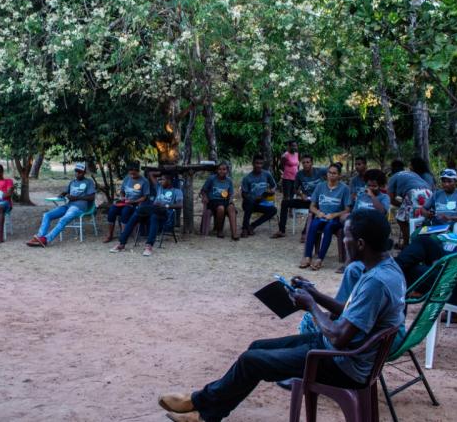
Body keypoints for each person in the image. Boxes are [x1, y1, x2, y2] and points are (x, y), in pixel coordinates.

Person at [158, 210, 406, 422]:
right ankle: (203, 410)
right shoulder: (386, 269)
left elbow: (340, 337)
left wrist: (311, 306)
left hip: (342, 362)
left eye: (347, 237)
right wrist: (315, 294)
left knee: (251, 361)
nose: (343, 242)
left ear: (361, 244)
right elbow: (354, 314)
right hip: (341, 351)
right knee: (255, 348)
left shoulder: (376, 282)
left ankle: (199, 407)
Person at [111, 171, 183, 256]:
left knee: (152, 215)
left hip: (164, 214)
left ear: (169, 180)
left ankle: (148, 246)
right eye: (160, 180)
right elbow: (151, 174)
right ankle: (121, 244)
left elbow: (180, 205)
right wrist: (163, 171)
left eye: (163, 179)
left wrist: (165, 205)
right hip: (152, 211)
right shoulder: (159, 187)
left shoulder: (177, 191)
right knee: (136, 215)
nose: (160, 181)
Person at [26, 163, 95, 247]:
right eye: (76, 171)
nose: (77, 173)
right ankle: (40, 237)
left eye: (80, 172)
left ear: (84, 173)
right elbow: (67, 192)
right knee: (47, 215)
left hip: (79, 207)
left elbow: (92, 197)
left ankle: (46, 240)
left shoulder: (88, 182)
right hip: (68, 205)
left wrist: (76, 198)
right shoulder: (72, 182)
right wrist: (63, 194)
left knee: (63, 219)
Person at [300, 164, 351, 270]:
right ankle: (308, 256)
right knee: (313, 225)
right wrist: (318, 212)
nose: (331, 175)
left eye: (334, 173)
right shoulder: (320, 186)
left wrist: (334, 215)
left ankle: (320, 259)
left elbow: (347, 210)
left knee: (329, 227)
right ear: (326, 174)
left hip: (335, 219)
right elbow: (312, 206)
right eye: (329, 172)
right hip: (321, 216)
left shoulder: (344, 189)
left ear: (339, 175)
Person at [272, 155, 324, 240]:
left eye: (308, 162)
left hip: (318, 202)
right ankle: (281, 230)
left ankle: (305, 232)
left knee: (314, 208)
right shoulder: (299, 174)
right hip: (306, 200)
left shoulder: (320, 171)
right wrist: (301, 194)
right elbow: (295, 189)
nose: (305, 164)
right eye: (303, 162)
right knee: (285, 202)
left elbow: (333, 170)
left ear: (312, 163)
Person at [387, 161, 433, 248]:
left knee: (401, 218)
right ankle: (422, 242)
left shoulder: (393, 177)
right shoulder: (411, 174)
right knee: (421, 219)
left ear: (392, 170)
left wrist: (400, 205)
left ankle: (406, 243)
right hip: (428, 192)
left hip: (414, 193)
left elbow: (390, 198)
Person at [103, 163, 150, 243]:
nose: (132, 175)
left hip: (135, 204)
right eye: (130, 173)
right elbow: (122, 191)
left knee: (125, 211)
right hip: (125, 202)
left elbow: (145, 197)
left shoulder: (144, 181)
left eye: (134, 173)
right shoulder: (127, 178)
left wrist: (133, 201)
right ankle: (110, 235)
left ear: (138, 171)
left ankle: (123, 235)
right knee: (112, 210)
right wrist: (122, 197)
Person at [239, 155, 277, 238]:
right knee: (249, 203)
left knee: (273, 210)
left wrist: (271, 191)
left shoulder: (266, 174)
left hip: (261, 203)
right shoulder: (247, 178)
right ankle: (245, 228)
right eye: (257, 163)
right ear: (253, 164)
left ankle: (252, 226)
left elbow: (274, 186)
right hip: (249, 203)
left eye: (261, 163)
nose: (259, 165)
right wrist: (253, 198)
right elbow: (243, 194)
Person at [201, 163, 240, 241]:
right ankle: (219, 230)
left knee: (231, 208)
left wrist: (230, 200)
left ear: (227, 171)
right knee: (221, 208)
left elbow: (231, 193)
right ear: (216, 170)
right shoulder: (211, 179)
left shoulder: (229, 181)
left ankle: (234, 233)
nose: (222, 171)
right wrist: (205, 197)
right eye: (220, 169)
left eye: (224, 169)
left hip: (225, 200)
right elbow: (203, 190)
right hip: (213, 201)